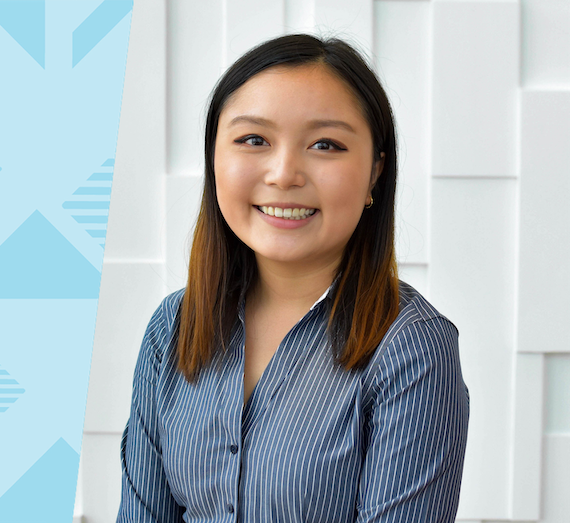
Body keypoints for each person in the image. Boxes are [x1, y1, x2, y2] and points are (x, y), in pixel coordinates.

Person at [116, 34, 469, 522]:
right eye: (253, 140)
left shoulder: (411, 349)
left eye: (326, 144)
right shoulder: (172, 327)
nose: (284, 174)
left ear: (374, 174)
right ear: (213, 160)